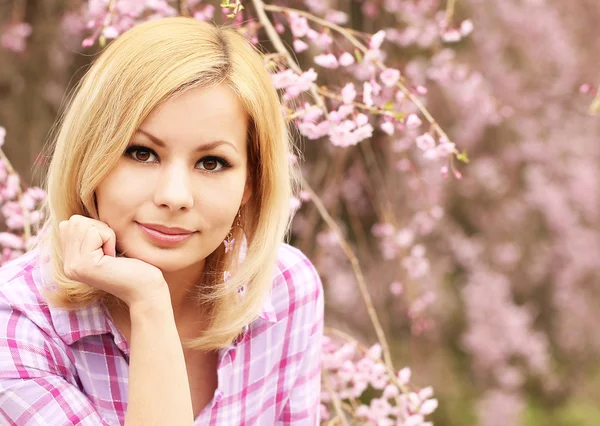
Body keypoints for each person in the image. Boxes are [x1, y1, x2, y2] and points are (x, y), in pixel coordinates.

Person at [0, 17, 324, 425]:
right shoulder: (15, 322)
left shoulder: (285, 288)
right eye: (141, 153)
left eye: (212, 162)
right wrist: (150, 304)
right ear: (90, 159)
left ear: (250, 183)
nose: (174, 196)